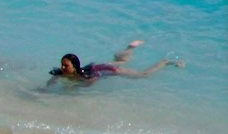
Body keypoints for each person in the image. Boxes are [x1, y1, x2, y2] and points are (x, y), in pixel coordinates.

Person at [50, 40, 182, 83]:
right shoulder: (60, 72)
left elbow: (93, 80)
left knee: (143, 75)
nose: (62, 67)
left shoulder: (83, 75)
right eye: (62, 64)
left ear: (74, 66)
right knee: (120, 60)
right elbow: (52, 81)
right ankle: (130, 47)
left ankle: (165, 62)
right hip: (97, 67)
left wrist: (83, 86)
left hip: (107, 69)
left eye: (66, 65)